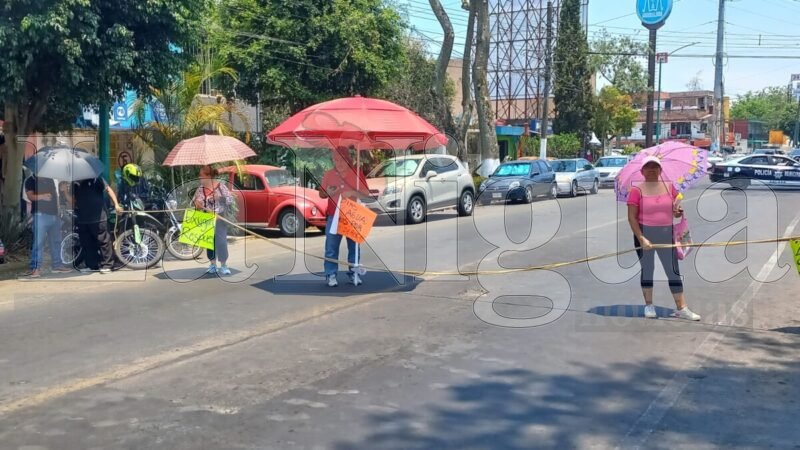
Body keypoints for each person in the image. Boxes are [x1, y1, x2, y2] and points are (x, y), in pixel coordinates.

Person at [627, 156, 701, 321]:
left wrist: (677, 212)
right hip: (645, 234)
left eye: (655, 167)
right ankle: (649, 306)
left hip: (666, 233)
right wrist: (641, 238)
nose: (652, 170)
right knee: (648, 269)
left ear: (660, 170)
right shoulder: (636, 191)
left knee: (673, 270)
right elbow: (632, 218)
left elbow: (674, 210)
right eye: (648, 167)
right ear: (642, 171)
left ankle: (682, 308)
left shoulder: (669, 188)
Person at [318, 147, 371, 287]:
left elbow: (366, 195)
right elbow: (321, 194)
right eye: (335, 160)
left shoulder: (356, 173)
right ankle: (331, 275)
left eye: (341, 160)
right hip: (333, 216)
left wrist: (353, 192)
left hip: (352, 216)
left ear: (347, 160)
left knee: (354, 248)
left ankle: (354, 273)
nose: (338, 163)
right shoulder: (329, 174)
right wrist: (327, 192)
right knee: (331, 248)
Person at [65, 177, 122, 274]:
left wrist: (116, 204)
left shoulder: (96, 178)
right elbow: (73, 202)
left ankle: (108, 265)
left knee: (104, 241)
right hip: (83, 218)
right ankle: (91, 265)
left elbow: (108, 190)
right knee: (87, 243)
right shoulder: (74, 183)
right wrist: (65, 191)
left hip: (99, 217)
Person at [23, 175, 71, 277]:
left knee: (56, 241)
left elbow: (55, 195)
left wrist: (58, 210)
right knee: (38, 242)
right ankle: (35, 268)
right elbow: (30, 196)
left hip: (53, 214)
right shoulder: (30, 180)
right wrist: (42, 196)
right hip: (40, 214)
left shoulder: (50, 179)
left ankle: (57, 265)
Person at [193, 165, 234, 276]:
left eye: (201, 175)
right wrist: (198, 204)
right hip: (207, 218)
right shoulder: (200, 189)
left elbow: (230, 200)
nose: (199, 177)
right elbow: (195, 203)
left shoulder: (221, 187)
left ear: (209, 176)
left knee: (221, 242)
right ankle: (212, 265)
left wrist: (219, 198)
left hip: (220, 218)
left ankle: (224, 265)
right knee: (209, 242)